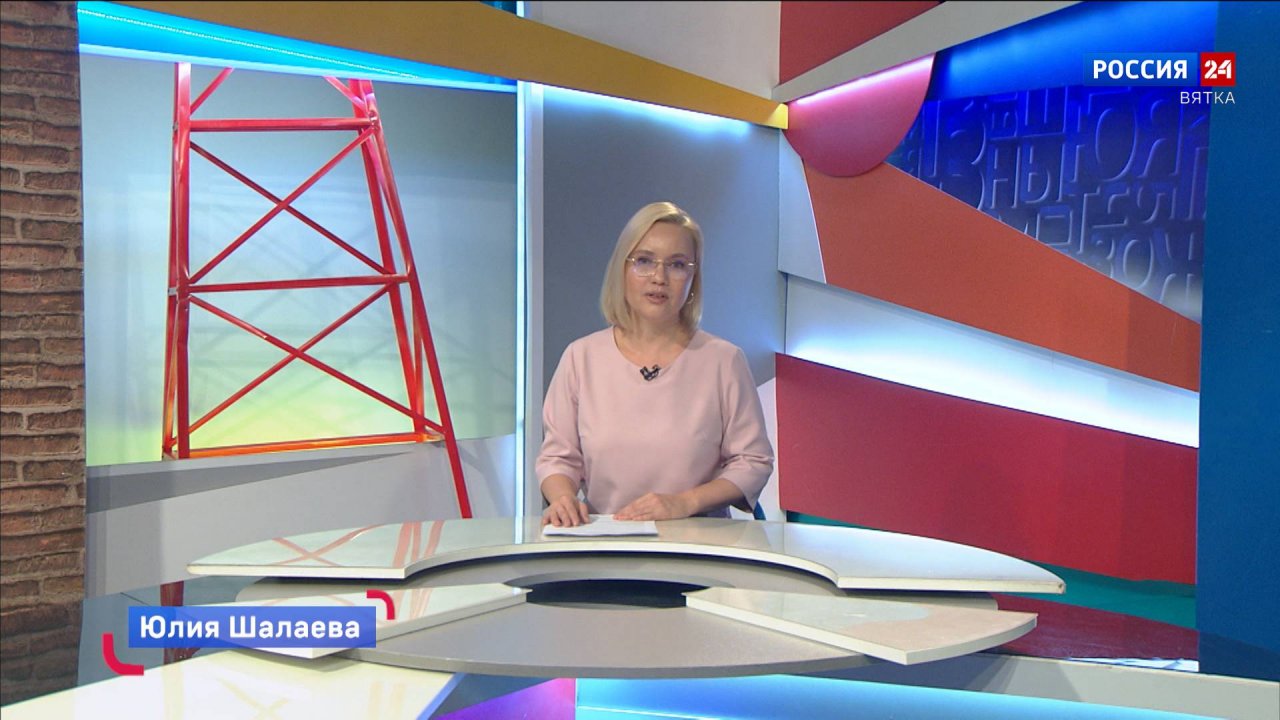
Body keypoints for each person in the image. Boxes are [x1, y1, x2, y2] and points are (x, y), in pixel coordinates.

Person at [537, 201, 774, 527]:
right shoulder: (581, 358)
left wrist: (684, 503)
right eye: (644, 261)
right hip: (605, 540)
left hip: (698, 542)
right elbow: (557, 458)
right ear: (622, 270)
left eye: (677, 265)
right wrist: (563, 499)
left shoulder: (723, 360)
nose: (659, 278)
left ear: (693, 278)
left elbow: (753, 461)